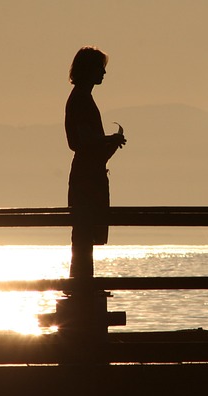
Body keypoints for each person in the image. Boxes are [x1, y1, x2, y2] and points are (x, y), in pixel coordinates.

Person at [65, 46, 126, 278]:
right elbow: (81, 141)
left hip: (89, 175)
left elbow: (87, 145)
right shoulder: (81, 99)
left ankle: (82, 284)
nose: (103, 73)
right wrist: (107, 140)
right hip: (86, 179)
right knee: (83, 235)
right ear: (88, 69)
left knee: (85, 236)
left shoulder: (82, 98)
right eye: (100, 68)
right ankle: (81, 286)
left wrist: (109, 144)